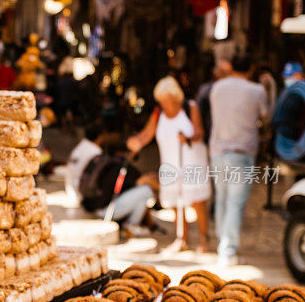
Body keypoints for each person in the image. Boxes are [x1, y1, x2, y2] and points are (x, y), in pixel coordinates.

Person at [127, 76, 211, 252]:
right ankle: (182, 238)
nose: (164, 104)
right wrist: (136, 142)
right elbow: (147, 134)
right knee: (175, 201)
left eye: (166, 101)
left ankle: (204, 239)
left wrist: (187, 137)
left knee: (196, 202)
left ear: (175, 98)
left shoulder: (190, 107)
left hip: (192, 163)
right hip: (170, 163)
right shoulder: (158, 113)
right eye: (161, 101)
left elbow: (200, 133)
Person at [209, 53, 269, 266]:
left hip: (217, 151)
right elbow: (266, 116)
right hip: (241, 153)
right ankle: (227, 250)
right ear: (251, 68)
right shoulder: (257, 90)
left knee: (223, 199)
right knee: (235, 203)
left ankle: (221, 244)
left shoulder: (217, 87)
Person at [68, 124, 158, 236]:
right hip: (102, 209)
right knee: (145, 190)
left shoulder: (93, 155)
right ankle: (131, 226)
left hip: (84, 200)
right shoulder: (111, 162)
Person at [195, 59, 233, 144]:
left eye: (228, 73)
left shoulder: (234, 90)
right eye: (222, 72)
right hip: (211, 136)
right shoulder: (206, 90)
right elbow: (198, 112)